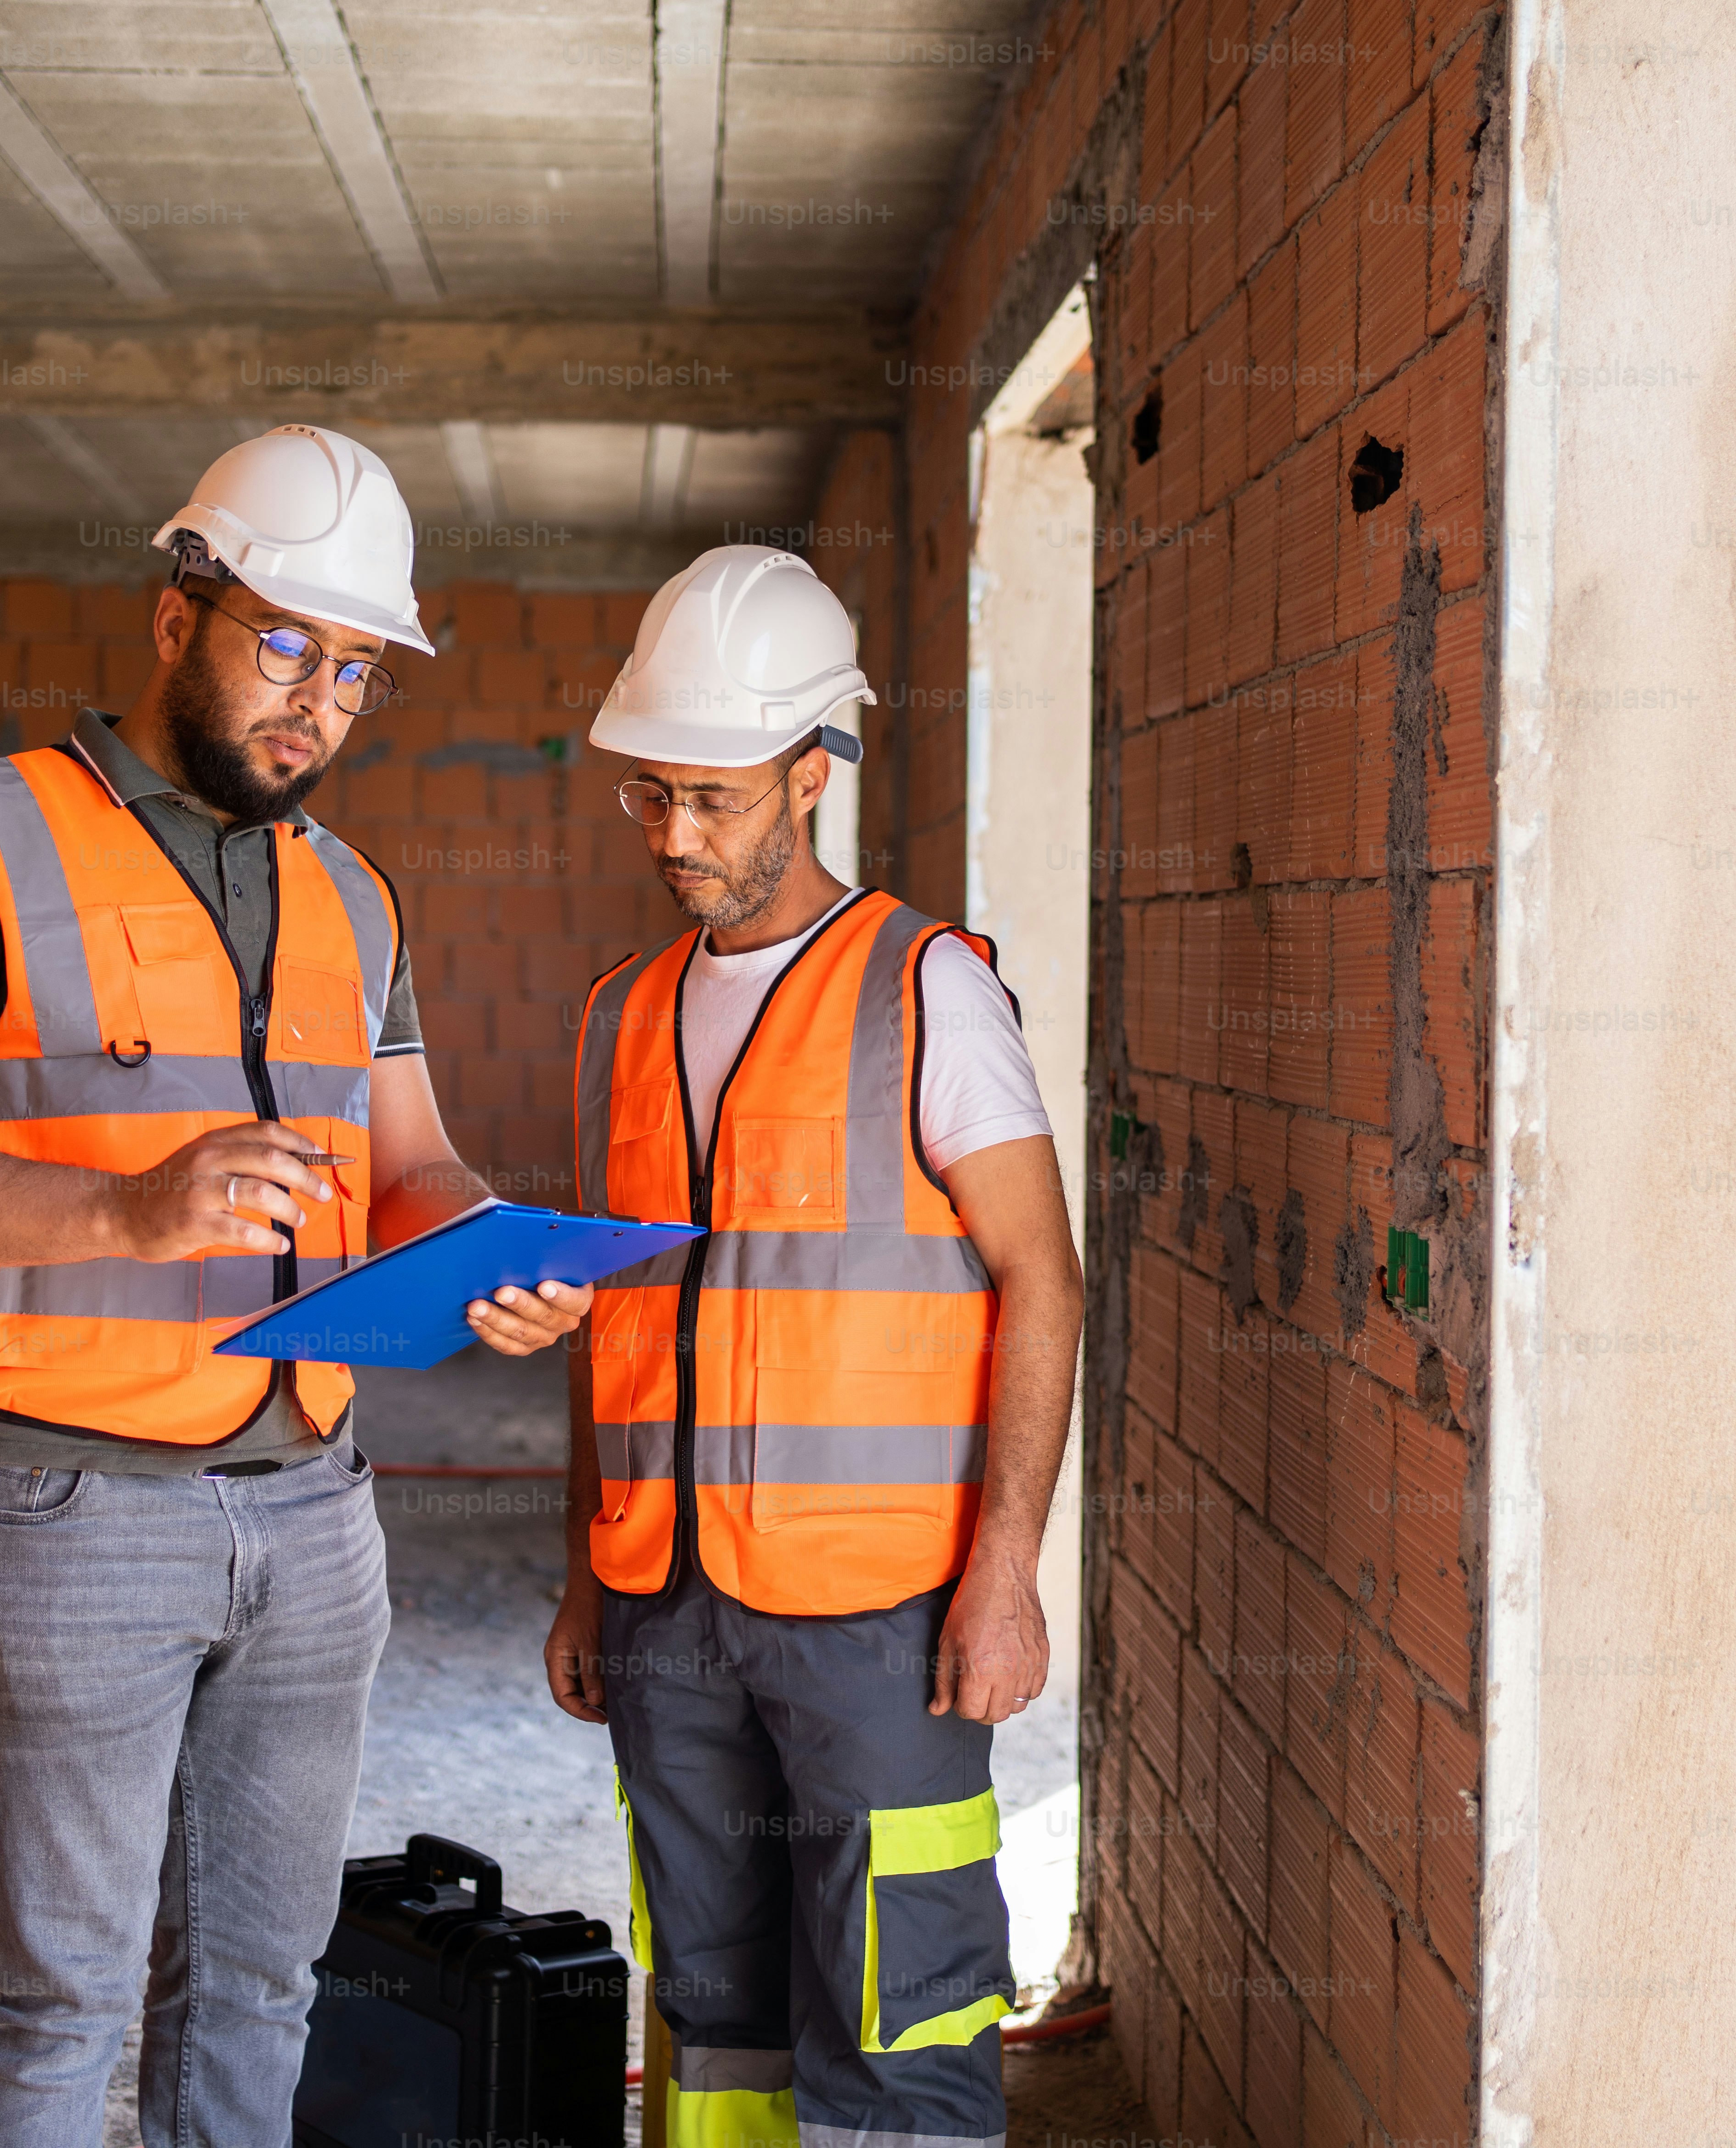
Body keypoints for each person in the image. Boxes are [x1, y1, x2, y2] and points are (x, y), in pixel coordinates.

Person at [0, 423, 589, 2144]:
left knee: (260, 1985)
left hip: (313, 1511)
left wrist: (483, 1248)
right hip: (64, 1504)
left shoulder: (356, 893)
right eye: (285, 643)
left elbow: (414, 1161)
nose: (319, 699)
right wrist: (121, 1217)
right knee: (49, 1999)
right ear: (179, 615)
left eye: (359, 669)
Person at [542, 546, 1085, 2148]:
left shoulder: (928, 991)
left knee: (899, 2003)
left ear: (811, 772)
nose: (677, 838)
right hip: (664, 1599)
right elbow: (620, 1323)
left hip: (885, 1618)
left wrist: (1006, 1573)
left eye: (712, 800)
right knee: (712, 2005)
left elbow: (1042, 1283)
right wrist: (588, 1572)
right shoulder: (616, 1017)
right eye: (652, 799)